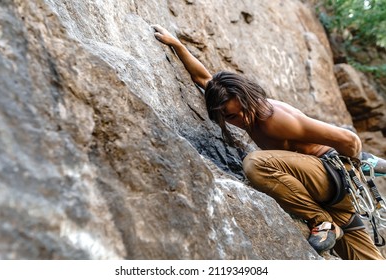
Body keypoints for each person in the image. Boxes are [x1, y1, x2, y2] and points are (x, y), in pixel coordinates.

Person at [152, 24, 385, 260]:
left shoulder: (276, 120)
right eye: (231, 117)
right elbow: (204, 78)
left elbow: (350, 139)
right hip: (323, 191)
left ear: (247, 97)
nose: (242, 119)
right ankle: (337, 212)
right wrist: (178, 45)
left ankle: (323, 220)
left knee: (256, 164)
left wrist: (356, 164)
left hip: (330, 178)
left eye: (242, 111)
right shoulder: (234, 102)